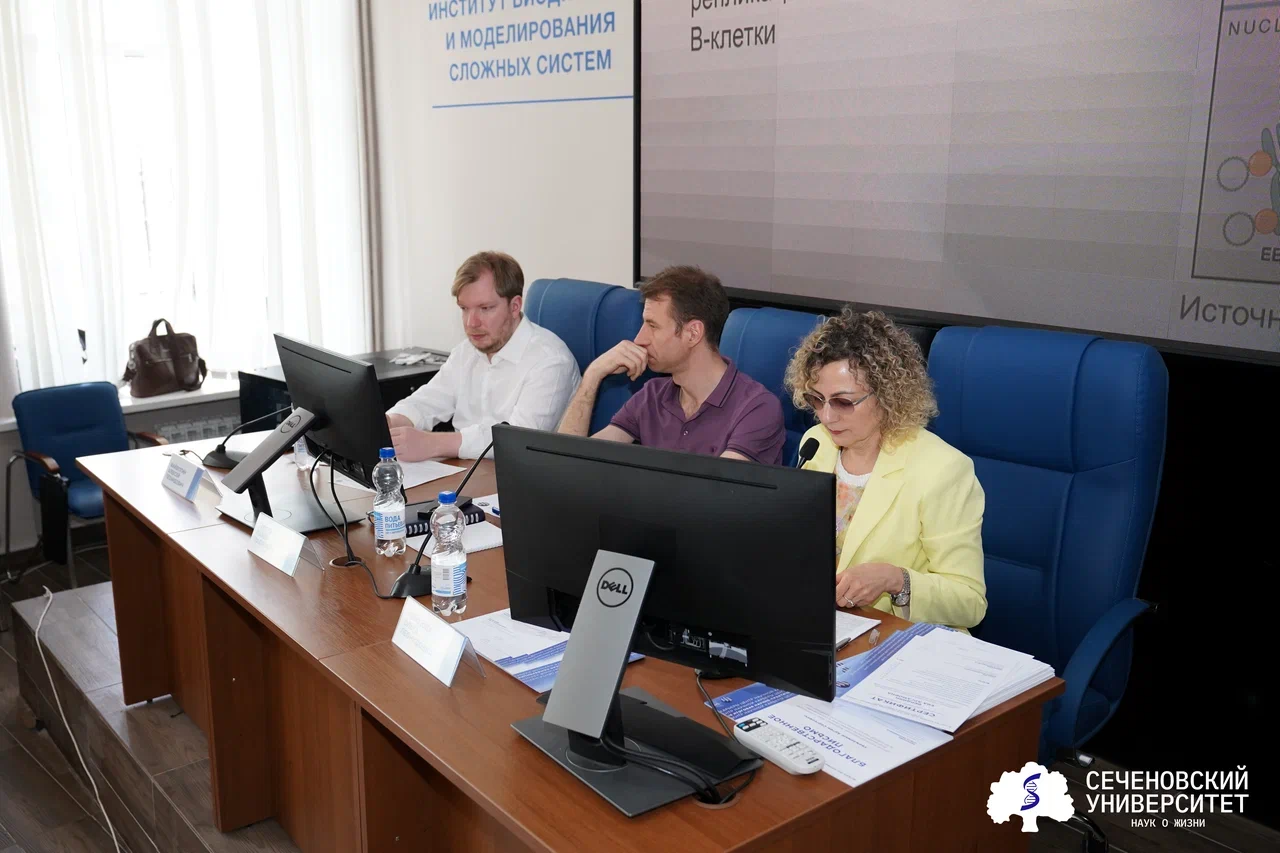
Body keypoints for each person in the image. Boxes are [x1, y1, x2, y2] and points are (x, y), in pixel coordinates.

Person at [784, 308, 986, 630]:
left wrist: (896, 580)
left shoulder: (943, 470)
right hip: (823, 624)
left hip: (899, 637)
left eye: (843, 402)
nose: (826, 417)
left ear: (887, 394)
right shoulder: (816, 443)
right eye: (816, 399)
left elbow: (969, 602)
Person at [557, 265, 785, 464]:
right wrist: (593, 375)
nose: (639, 339)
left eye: (652, 326)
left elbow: (715, 492)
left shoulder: (757, 409)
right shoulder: (652, 395)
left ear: (693, 333)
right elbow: (568, 463)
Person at [385, 251, 580, 460]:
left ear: (515, 306)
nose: (472, 323)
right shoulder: (467, 351)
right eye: (464, 308)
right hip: (465, 468)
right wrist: (392, 422)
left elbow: (519, 440)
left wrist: (433, 443)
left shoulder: (551, 361)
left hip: (523, 473)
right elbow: (428, 401)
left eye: (485, 308)